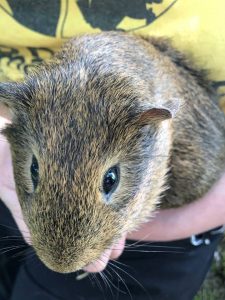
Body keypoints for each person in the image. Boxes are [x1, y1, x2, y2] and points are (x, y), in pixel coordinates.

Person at [0, 1, 225, 299]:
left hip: (180, 225)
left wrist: (175, 224)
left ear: (152, 122)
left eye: (109, 181)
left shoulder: (156, 125)